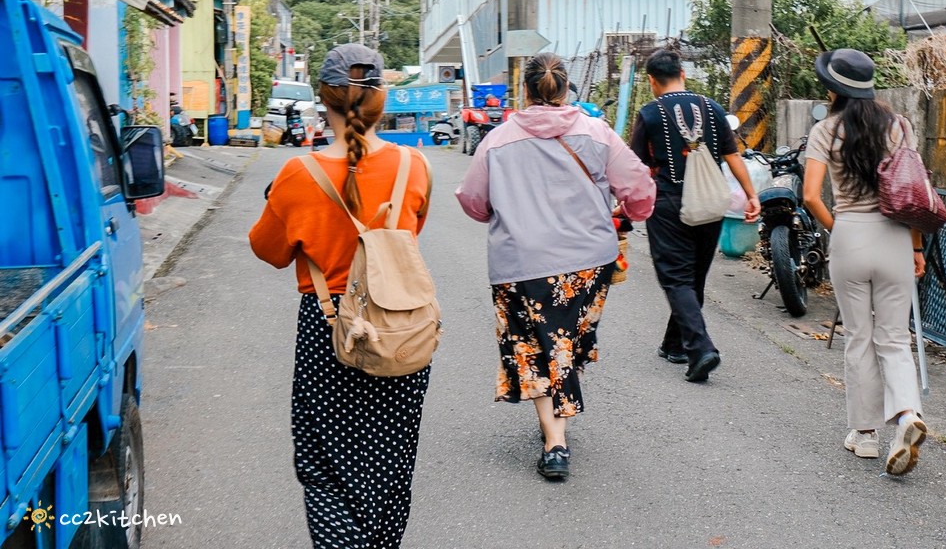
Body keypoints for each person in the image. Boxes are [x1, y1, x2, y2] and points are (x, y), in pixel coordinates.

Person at [249, 43, 432, 547]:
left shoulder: (296, 174)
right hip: (398, 328)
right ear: (381, 101)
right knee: (390, 461)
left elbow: (269, 251)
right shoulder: (413, 166)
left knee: (326, 464)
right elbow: (407, 236)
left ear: (322, 99)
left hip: (327, 333)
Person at [456, 53, 655, 482]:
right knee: (566, 341)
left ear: (525, 90)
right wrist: (627, 208)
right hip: (587, 262)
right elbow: (639, 189)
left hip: (519, 264)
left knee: (532, 346)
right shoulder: (598, 133)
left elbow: (473, 201)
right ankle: (555, 436)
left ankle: (555, 438)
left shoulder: (497, 140)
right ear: (567, 89)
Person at [802, 48, 928, 476]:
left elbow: (811, 196)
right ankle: (908, 415)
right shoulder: (900, 126)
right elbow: (912, 193)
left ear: (833, 88)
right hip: (895, 234)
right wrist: (915, 247)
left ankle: (865, 435)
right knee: (893, 337)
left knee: (859, 337)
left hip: (851, 235)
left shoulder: (825, 129)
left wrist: (837, 227)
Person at [629, 49, 761, 382]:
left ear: (652, 82)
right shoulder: (713, 109)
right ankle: (675, 344)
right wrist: (751, 195)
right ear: (682, 74)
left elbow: (635, 167)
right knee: (694, 276)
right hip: (710, 202)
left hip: (669, 202)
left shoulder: (649, 114)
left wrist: (625, 205)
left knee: (676, 277)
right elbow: (732, 157)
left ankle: (701, 349)